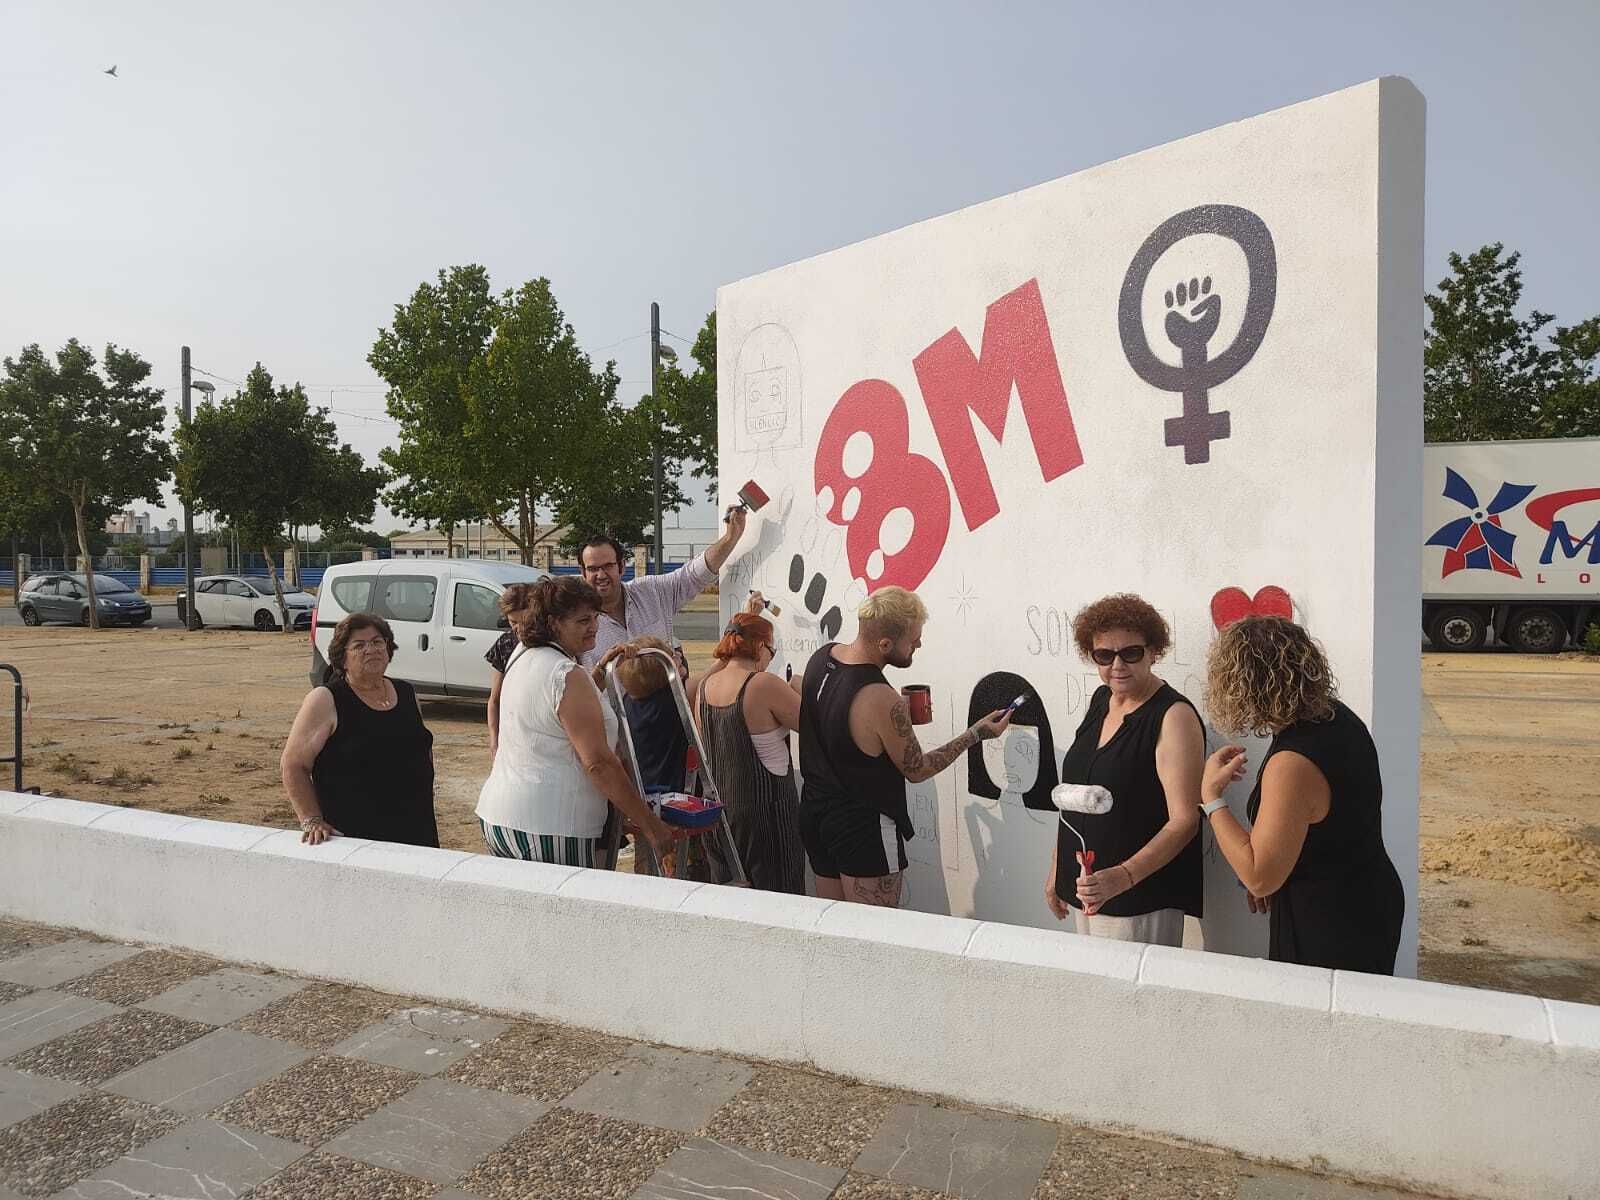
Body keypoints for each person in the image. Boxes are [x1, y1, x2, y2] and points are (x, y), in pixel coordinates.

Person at [1200, 615, 1405, 974]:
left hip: (1331, 919)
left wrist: (1212, 797)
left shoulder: (1292, 763)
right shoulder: (1335, 717)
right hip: (1362, 897)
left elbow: (1259, 875)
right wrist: (1273, 861)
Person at [799, 586, 1013, 907]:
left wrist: (887, 724)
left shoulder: (822, 657)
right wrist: (975, 734)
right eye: (912, 640)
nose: (919, 644)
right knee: (876, 938)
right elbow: (917, 770)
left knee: (836, 929)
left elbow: (836, 719)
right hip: (862, 828)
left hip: (816, 815)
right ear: (884, 643)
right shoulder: (881, 698)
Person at [475, 575, 676, 867]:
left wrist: (602, 668)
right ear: (554, 622)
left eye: (595, 617)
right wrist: (650, 825)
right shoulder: (566, 673)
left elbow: (559, 707)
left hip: (502, 815)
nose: (594, 627)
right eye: (583, 621)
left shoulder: (524, 653)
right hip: (550, 827)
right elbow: (598, 763)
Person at [1044, 594, 1204, 946]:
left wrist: (1124, 876)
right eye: (1104, 655)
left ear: (1153, 652)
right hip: (1087, 888)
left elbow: (1184, 820)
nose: (1117, 665)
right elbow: (1077, 791)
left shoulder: (1173, 716)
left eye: (1130, 653)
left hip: (1138, 899)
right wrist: (1059, 868)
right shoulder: (1102, 700)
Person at [280, 613, 439, 848]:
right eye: (359, 645)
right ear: (342, 658)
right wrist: (311, 820)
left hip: (417, 830)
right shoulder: (326, 699)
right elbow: (292, 765)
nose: (371, 649)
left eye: (377, 642)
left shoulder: (406, 693)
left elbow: (421, 748)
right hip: (356, 840)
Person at [691, 605, 806, 894]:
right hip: (766, 819)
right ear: (759, 646)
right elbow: (816, 726)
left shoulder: (705, 687)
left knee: (730, 903)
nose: (770, 659)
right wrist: (800, 691)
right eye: (772, 651)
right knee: (781, 903)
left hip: (719, 817)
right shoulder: (762, 684)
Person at [580, 507, 750, 675]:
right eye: (593, 568)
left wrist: (731, 537)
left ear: (622, 566)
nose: (601, 575)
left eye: (608, 566)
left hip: (669, 700)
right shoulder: (576, 622)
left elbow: (694, 575)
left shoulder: (651, 592)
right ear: (583, 573)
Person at [612, 635, 690, 794]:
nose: (679, 656)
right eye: (671, 655)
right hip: (675, 792)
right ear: (662, 669)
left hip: (644, 789)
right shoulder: (674, 699)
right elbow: (707, 682)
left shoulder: (628, 700)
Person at [486, 582, 537, 759]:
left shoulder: (551, 642)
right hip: (512, 736)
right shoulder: (506, 644)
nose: (519, 629)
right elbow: (494, 700)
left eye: (525, 622)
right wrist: (494, 741)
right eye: (513, 622)